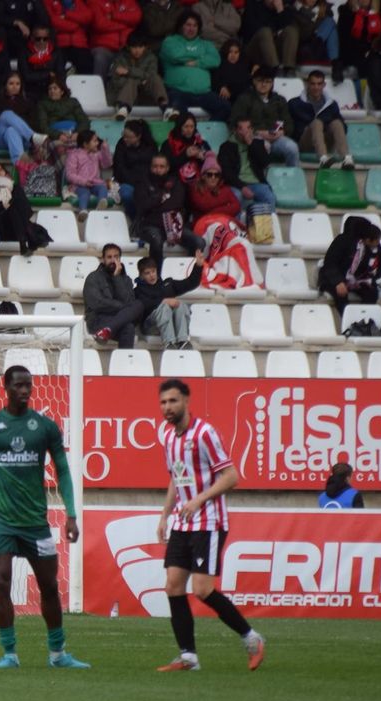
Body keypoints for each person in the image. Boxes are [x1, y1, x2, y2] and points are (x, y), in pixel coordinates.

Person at [0, 365, 88, 670]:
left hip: (35, 522)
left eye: (28, 386)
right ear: (5, 387)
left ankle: (58, 654)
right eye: (18, 385)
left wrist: (71, 514)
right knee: (1, 581)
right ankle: (10, 654)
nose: (24, 391)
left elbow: (63, 470)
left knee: (48, 586)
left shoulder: (45, 427)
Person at [154, 377, 265, 673]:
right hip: (182, 521)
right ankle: (188, 657)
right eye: (163, 402)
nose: (168, 407)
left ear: (187, 402)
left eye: (173, 401)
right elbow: (176, 479)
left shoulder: (205, 434)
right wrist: (165, 515)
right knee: (173, 586)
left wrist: (199, 500)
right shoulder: (166, 435)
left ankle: (251, 638)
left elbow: (231, 476)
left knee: (203, 590)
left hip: (209, 522)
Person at [133, 152, 204, 266]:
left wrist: (155, 203)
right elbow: (142, 206)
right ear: (151, 167)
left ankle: (189, 271)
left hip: (173, 226)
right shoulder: (142, 183)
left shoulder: (175, 183)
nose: (158, 170)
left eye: (161, 167)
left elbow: (176, 204)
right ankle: (157, 278)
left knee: (199, 242)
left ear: (167, 168)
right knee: (156, 241)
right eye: (155, 166)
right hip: (149, 225)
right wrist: (160, 199)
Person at [160, 11, 230, 121]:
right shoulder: (170, 41)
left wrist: (196, 62)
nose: (191, 28)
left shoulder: (206, 44)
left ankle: (207, 134)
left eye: (195, 25)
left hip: (204, 93)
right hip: (178, 91)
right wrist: (201, 57)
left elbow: (215, 60)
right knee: (177, 113)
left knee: (225, 107)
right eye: (188, 25)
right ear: (181, 26)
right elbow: (175, 55)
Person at [317, 215, 381, 314]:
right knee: (341, 294)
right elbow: (330, 263)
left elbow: (379, 267)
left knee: (372, 293)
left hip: (357, 279)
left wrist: (367, 280)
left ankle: (363, 319)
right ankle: (349, 321)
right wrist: (338, 282)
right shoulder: (342, 241)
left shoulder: (374, 246)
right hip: (334, 279)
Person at [135, 251, 204, 347]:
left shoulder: (168, 285)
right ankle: (169, 344)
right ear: (141, 275)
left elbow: (190, 283)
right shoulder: (138, 291)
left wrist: (198, 266)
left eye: (153, 271)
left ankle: (183, 341)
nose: (152, 275)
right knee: (164, 307)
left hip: (171, 322)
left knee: (180, 305)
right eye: (147, 273)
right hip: (151, 327)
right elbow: (143, 305)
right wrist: (163, 301)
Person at [289, 69, 352, 169]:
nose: (316, 87)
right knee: (316, 122)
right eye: (313, 84)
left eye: (319, 84)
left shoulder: (331, 104)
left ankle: (347, 159)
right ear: (307, 84)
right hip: (305, 142)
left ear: (324, 85)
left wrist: (325, 122)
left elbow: (343, 128)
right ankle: (323, 158)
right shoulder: (295, 103)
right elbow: (290, 127)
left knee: (336, 122)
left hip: (326, 141)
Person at [83, 241, 142, 344]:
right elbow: (98, 304)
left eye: (116, 257)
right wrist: (123, 306)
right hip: (98, 320)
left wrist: (117, 278)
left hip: (118, 319)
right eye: (109, 257)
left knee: (138, 306)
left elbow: (129, 301)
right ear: (103, 259)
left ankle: (107, 330)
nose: (113, 260)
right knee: (129, 320)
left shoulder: (125, 279)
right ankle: (105, 330)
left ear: (120, 259)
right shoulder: (93, 278)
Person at [108, 31, 169, 121]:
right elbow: (116, 81)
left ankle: (165, 107)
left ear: (145, 47)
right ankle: (123, 108)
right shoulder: (120, 58)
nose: (137, 50)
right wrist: (139, 80)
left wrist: (129, 71)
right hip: (120, 96)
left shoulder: (151, 58)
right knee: (133, 81)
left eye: (140, 47)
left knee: (156, 78)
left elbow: (151, 75)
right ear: (128, 47)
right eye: (134, 47)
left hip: (145, 96)